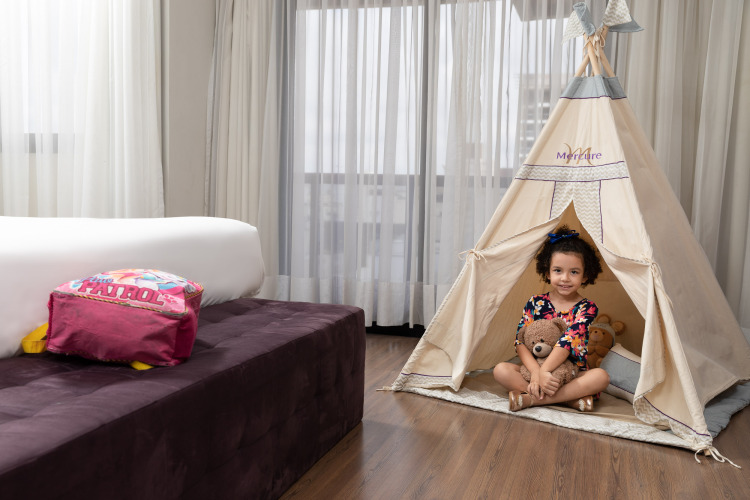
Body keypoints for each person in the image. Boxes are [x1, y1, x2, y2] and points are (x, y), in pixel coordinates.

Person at [493, 226, 610, 412]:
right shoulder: (535, 302)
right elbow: (520, 340)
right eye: (558, 270)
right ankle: (569, 400)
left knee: (601, 377)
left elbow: (568, 341)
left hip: (571, 374)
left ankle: (532, 400)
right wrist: (537, 373)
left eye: (574, 272)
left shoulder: (587, 307)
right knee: (500, 370)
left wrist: (545, 371)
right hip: (535, 370)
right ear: (547, 273)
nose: (565, 278)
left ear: (585, 275)